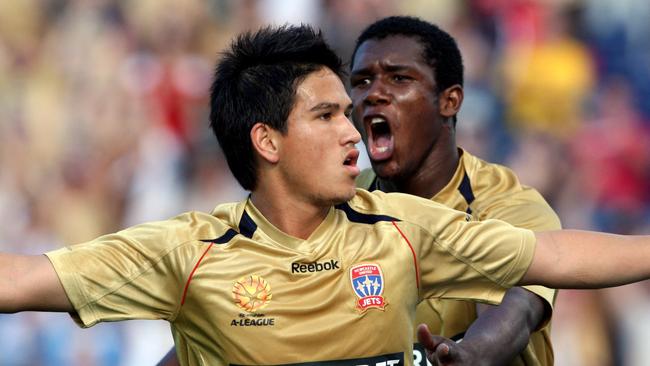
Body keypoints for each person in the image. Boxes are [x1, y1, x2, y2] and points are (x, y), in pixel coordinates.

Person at [3, 24, 650, 366]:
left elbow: (555, 259)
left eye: (350, 111)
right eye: (326, 116)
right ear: (267, 141)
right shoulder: (189, 252)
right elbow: (22, 280)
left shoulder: (401, 228)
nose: (353, 130)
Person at [350, 16, 558, 366]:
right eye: (362, 81)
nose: (374, 93)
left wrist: (471, 354)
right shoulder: (336, 204)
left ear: (449, 101)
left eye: (399, 78)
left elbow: (518, 307)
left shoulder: (509, 205)